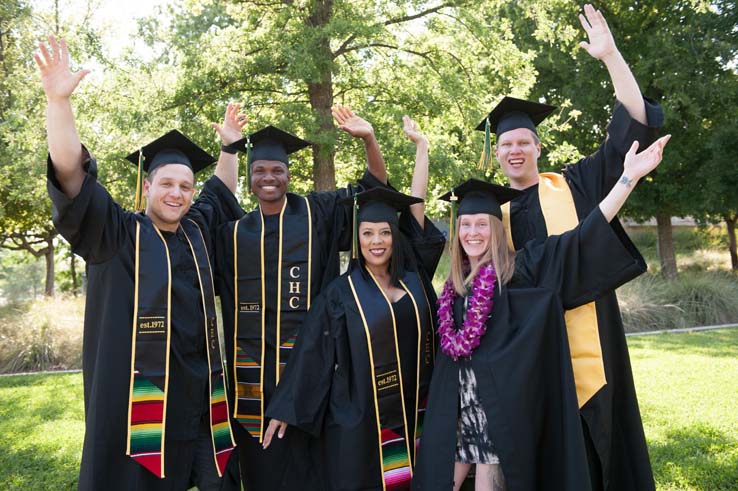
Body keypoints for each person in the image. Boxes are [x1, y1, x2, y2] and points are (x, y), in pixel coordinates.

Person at [36, 35, 246, 490]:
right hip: (138, 403)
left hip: (197, 392)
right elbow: (71, 173)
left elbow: (221, 191)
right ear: (147, 187)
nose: (177, 194)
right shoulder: (114, 233)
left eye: (185, 187)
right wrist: (59, 102)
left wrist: (230, 147)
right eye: (166, 183)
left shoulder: (196, 229)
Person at [475, 5, 665, 490]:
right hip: (529, 354)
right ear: (495, 153)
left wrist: (611, 57)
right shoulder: (484, 216)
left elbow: (634, 126)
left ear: (538, 146)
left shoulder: (574, 185)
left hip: (590, 341)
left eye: (523, 141)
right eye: (505, 145)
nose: (514, 150)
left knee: (598, 454)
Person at [414, 133, 670, 491]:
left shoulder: (521, 266)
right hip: (458, 407)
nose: (473, 233)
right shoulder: (453, 286)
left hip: (499, 408)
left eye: (482, 225)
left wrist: (627, 179)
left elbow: (580, 238)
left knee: (489, 482)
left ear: (496, 230)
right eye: (466, 225)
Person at [214, 106, 391, 490]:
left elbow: (373, 187)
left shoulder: (319, 212)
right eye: (259, 170)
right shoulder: (231, 234)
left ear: (288, 174)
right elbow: (206, 206)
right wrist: (227, 148)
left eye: (277, 170)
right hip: (253, 388)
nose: (269, 177)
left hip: (316, 377)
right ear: (249, 177)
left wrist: (368, 138)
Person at [262, 129, 445, 489]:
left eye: (385, 232)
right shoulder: (340, 294)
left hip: (419, 406)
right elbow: (313, 351)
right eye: (367, 233)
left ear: (396, 235)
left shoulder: (414, 277)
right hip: (363, 417)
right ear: (356, 239)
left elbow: (416, 206)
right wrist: (286, 407)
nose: (377, 241)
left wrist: (422, 148)